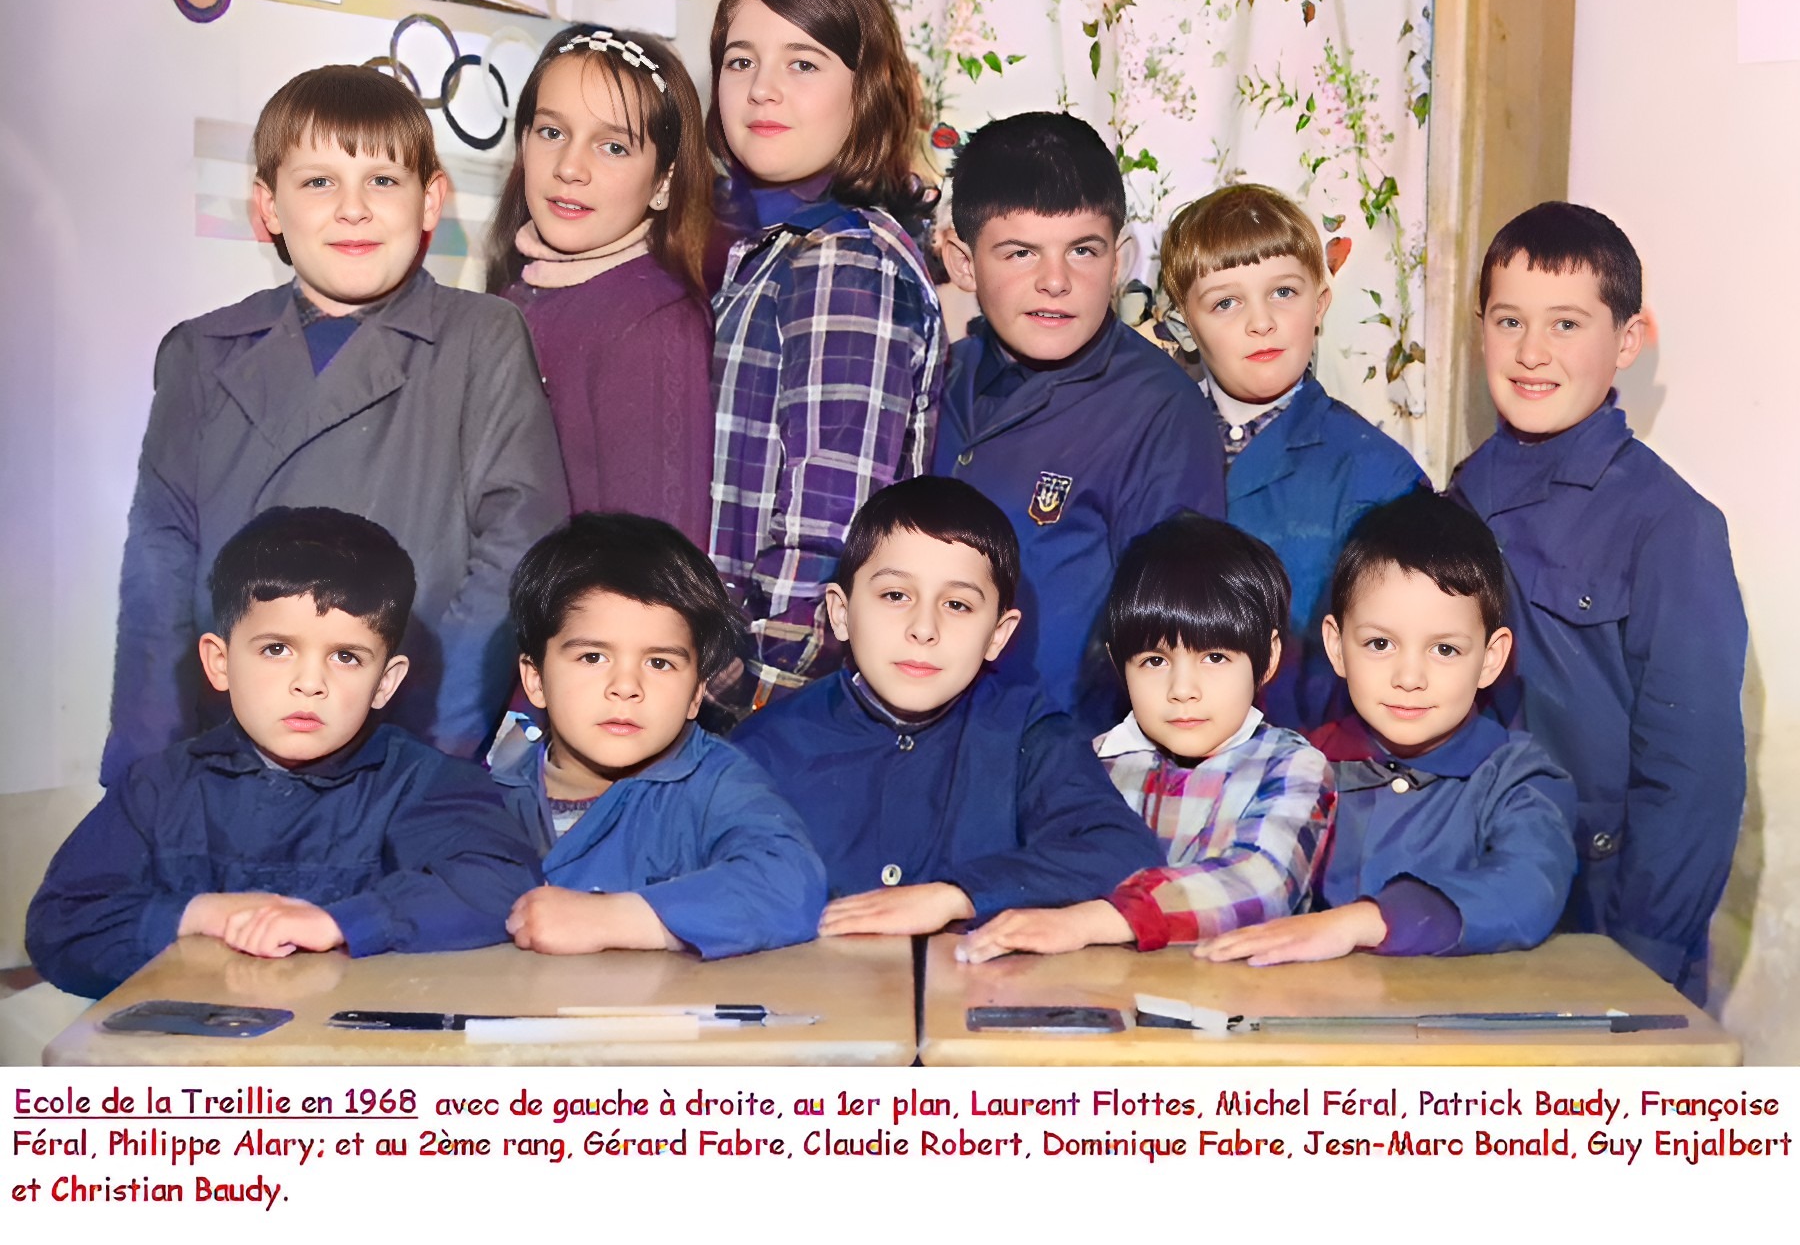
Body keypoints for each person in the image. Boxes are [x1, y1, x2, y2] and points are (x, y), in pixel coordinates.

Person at [104, 64, 568, 784]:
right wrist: (147, 770)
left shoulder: (481, 338)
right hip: (226, 755)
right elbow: (157, 572)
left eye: (382, 180)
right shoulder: (201, 352)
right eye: (319, 182)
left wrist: (433, 749)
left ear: (429, 201)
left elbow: (515, 551)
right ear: (269, 207)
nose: (353, 209)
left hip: (399, 746)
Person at [28, 508, 542, 999]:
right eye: (276, 649)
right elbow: (60, 926)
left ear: (385, 682)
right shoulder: (156, 789)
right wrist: (201, 915)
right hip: (194, 1049)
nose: (309, 683)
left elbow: (502, 885)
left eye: (345, 657)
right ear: (220, 662)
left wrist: (339, 923)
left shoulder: (426, 784)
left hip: (353, 1052)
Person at [1448, 202, 1747, 1003]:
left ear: (1626, 340)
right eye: (1509, 321)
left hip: (1603, 925)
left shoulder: (1670, 524)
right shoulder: (1458, 498)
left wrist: (1641, 961)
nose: (1532, 352)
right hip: (1468, 902)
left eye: (1566, 324)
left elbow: (1694, 777)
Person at [731, 477, 1162, 938]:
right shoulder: (763, 749)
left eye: (957, 605)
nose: (924, 628)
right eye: (895, 596)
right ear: (841, 613)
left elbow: (1124, 853)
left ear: (997, 635)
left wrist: (957, 894)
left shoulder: (1027, 731)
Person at [707, 0, 945, 713]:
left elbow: (826, 534)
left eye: (803, 63)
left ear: (864, 92)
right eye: (740, 60)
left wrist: (750, 708)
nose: (762, 88)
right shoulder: (764, 248)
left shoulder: (845, 260)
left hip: (759, 713)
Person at [933, 112, 1225, 733]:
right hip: (921, 747)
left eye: (1083, 251)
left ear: (1119, 261)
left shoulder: (1161, 412)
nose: (1055, 282)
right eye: (1020, 253)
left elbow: (1177, 641)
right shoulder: (935, 380)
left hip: (1070, 758)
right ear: (963, 261)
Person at [1203, 492, 1577, 964]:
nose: (1409, 678)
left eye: (1444, 649)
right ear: (1337, 647)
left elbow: (1530, 886)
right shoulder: (1295, 764)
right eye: (1380, 644)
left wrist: (1365, 921)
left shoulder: (1519, 778)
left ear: (1490, 659)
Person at [957, 514, 1333, 962]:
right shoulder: (1091, 764)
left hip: (1234, 998)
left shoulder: (1291, 766)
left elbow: (1260, 883)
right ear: (1120, 665)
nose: (1182, 689)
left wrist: (1090, 921)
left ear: (1267, 658)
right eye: (1155, 661)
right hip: (1098, 994)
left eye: (1215, 657)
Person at [491, 513, 826, 959]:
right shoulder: (487, 793)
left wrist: (621, 918)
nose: (626, 686)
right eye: (593, 657)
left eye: (659, 663)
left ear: (696, 693)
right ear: (535, 679)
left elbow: (790, 883)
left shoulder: (715, 784)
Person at [1160, 183, 1426, 731]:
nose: (1261, 322)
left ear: (1319, 305)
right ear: (1185, 325)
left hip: (1310, 759)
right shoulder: (1147, 448)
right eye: (1226, 302)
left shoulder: (1378, 476)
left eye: (1283, 292)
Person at [485, 25, 714, 545]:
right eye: (551, 132)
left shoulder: (655, 323)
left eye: (612, 146)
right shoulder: (515, 294)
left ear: (663, 182)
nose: (570, 167)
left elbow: (652, 562)